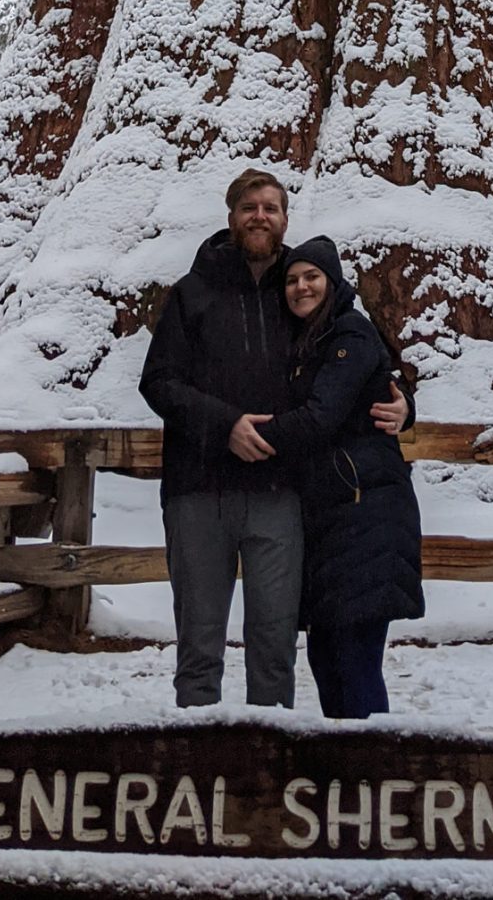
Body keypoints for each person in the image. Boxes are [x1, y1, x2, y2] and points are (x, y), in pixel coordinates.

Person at [138, 169, 406, 708]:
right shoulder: (194, 293)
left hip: (280, 494)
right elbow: (158, 382)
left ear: (285, 219)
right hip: (199, 490)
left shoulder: (301, 288)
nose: (260, 216)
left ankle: (267, 773)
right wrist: (225, 425)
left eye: (271, 208)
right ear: (231, 217)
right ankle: (202, 769)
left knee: (274, 645)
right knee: (199, 648)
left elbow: (359, 360)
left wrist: (405, 403)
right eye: (249, 207)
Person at [257, 236, 424, 719]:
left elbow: (321, 416)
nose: (301, 287)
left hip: (365, 511)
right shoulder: (309, 340)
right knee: (327, 655)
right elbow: (389, 381)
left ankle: (372, 777)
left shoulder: (348, 334)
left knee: (353, 657)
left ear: (333, 282)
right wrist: (406, 403)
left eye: (311, 277)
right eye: (291, 279)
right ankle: (346, 776)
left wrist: (241, 434)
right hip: (332, 516)